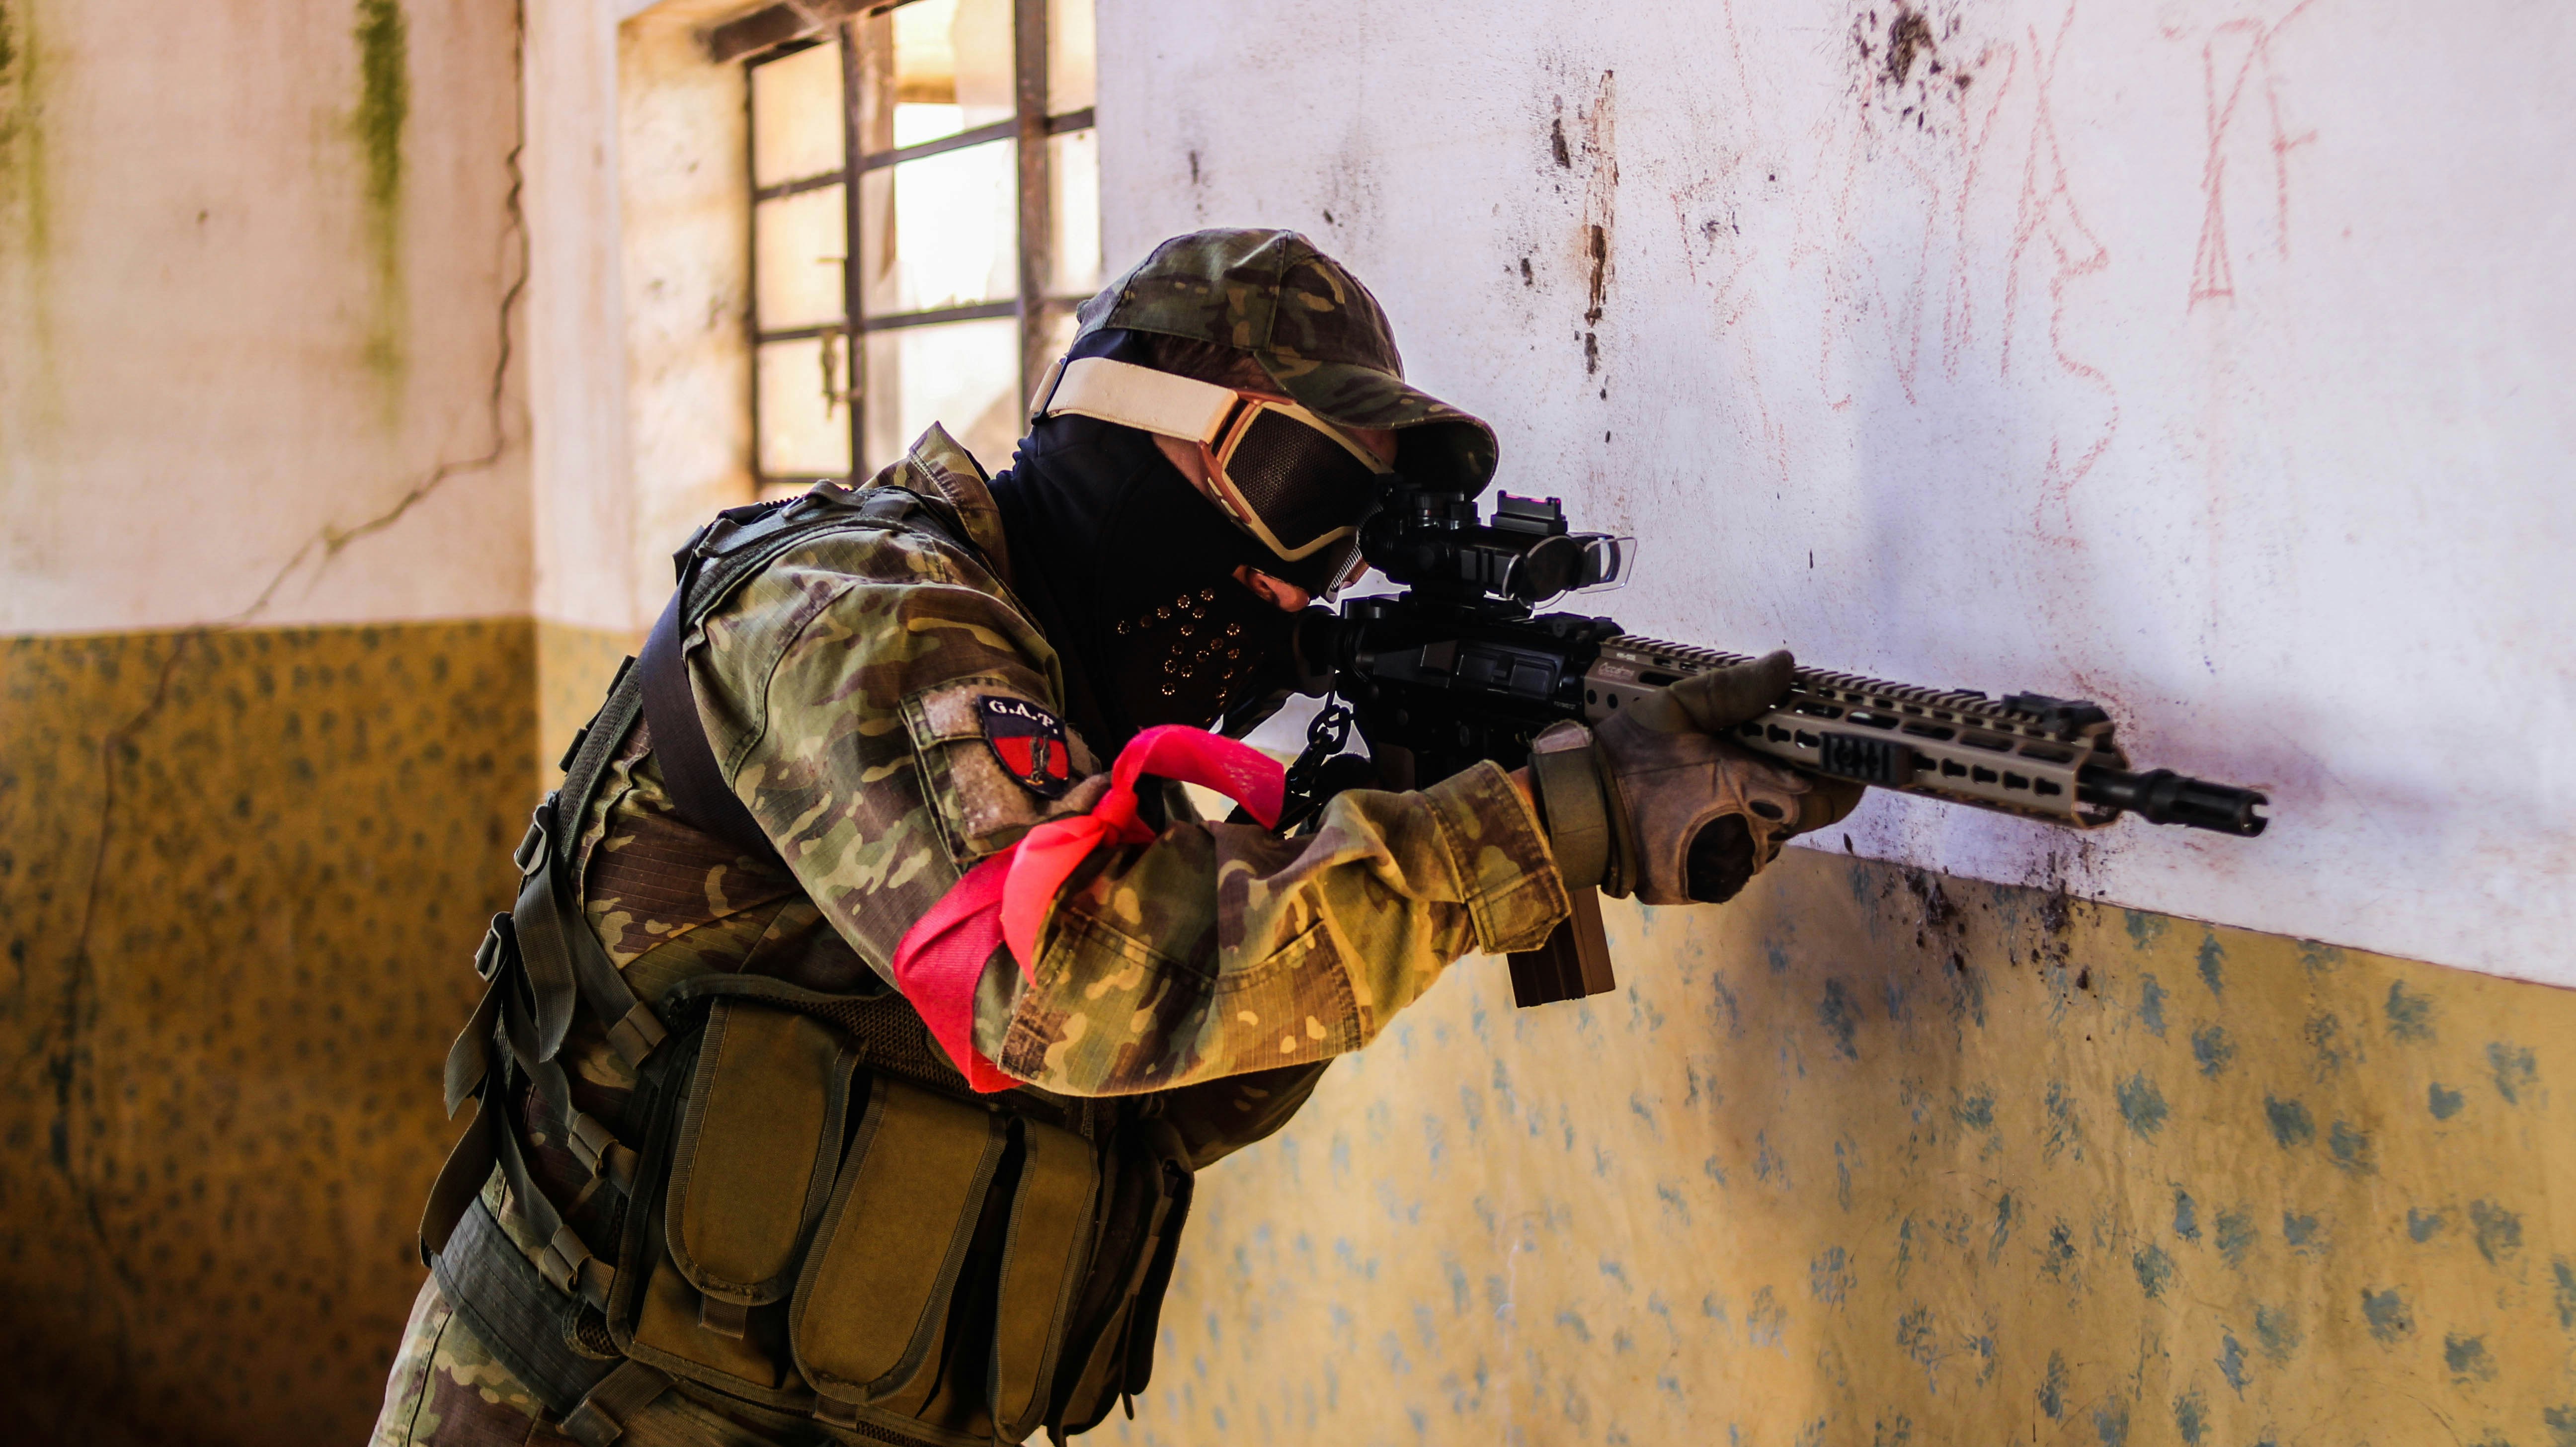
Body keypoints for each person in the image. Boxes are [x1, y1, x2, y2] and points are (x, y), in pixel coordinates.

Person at [370, 228, 1859, 1447]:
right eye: (1292, 498)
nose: (1300, 588)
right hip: (586, 1413)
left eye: (1344, 541)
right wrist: (1531, 827)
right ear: (1118, 431)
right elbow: (1066, 990)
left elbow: (1148, 1106)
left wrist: (1392, 828)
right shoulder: (867, 610)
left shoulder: (1069, 730)